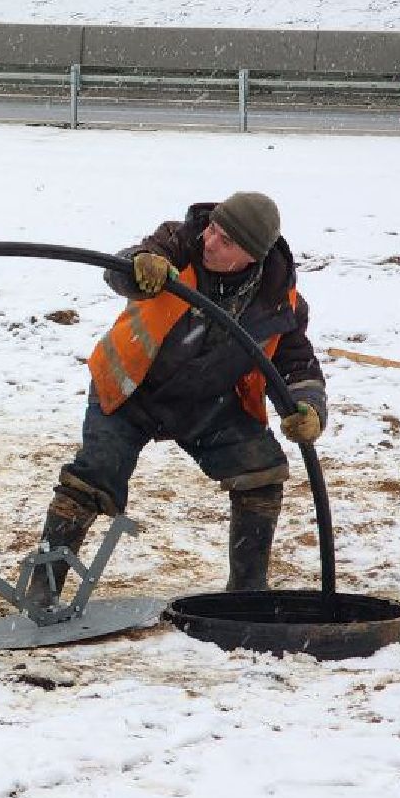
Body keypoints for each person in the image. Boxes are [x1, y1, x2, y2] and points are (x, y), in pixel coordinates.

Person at [25, 193, 327, 601]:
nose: (210, 242)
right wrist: (139, 265)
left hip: (207, 403)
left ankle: (247, 592)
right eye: (213, 229)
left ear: (252, 256)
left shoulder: (278, 301)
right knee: (94, 476)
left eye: (226, 241)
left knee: (262, 473)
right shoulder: (178, 242)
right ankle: (42, 590)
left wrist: (308, 408)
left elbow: (296, 363)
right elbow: (126, 268)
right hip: (130, 389)